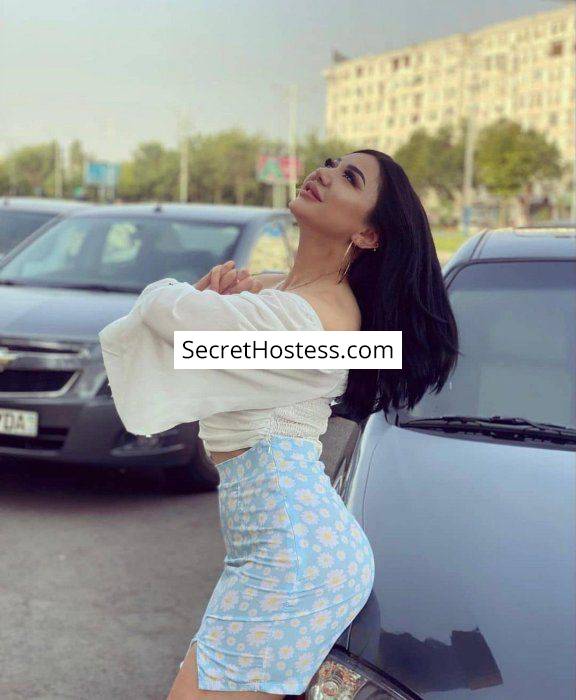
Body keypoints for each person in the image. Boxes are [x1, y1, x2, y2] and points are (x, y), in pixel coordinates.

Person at [99, 149, 460, 700]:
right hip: (278, 550)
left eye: (349, 178)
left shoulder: (313, 320)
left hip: (293, 558)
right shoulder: (280, 297)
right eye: (330, 163)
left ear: (368, 235)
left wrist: (183, 296)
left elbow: (168, 318)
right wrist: (205, 307)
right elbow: (198, 349)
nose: (325, 175)